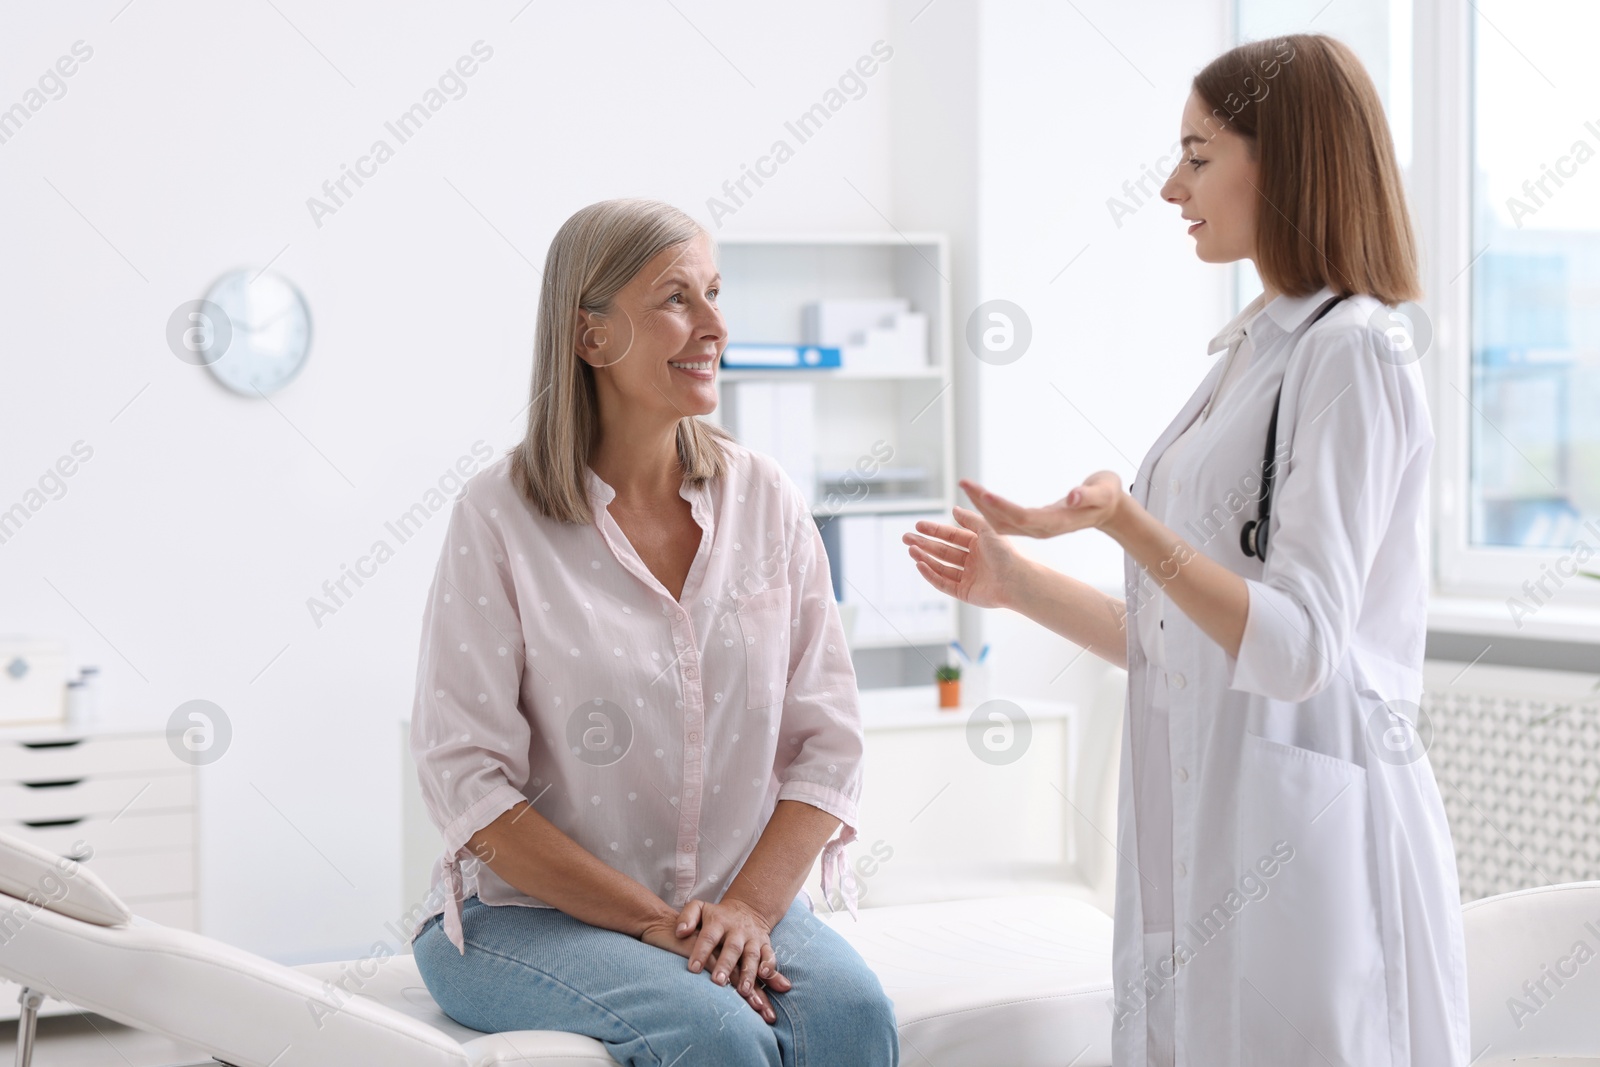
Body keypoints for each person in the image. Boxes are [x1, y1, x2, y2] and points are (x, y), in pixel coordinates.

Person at [903, 34, 1468, 1066]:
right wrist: (1015, 581)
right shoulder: (1257, 350)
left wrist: (1129, 522)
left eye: (1198, 155)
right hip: (1213, 831)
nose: (1170, 186)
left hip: (1306, 844)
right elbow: (1184, 638)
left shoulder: (1353, 352)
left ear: (1284, 161)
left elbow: (1297, 648)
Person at [408, 197, 899, 1067]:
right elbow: (468, 781)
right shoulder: (498, 516)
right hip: (527, 921)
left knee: (854, 1019)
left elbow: (827, 744)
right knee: (716, 1037)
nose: (714, 324)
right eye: (678, 298)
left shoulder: (767, 501)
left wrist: (746, 911)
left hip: (728, 902)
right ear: (590, 336)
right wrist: (653, 923)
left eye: (714, 292)